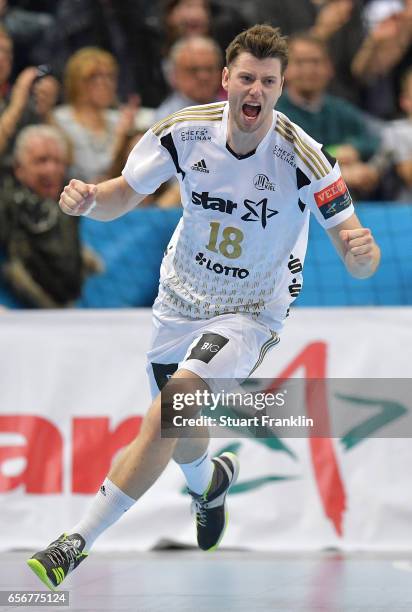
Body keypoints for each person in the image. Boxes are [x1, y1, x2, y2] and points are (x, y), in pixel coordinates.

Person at [27, 24, 380, 590]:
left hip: (250, 308)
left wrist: (363, 255)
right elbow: (122, 193)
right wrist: (91, 201)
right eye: (246, 77)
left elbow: (357, 253)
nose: (255, 90)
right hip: (179, 298)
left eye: (268, 81)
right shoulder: (183, 133)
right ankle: (208, 482)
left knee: (176, 401)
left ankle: (76, 541)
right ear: (226, 81)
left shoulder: (304, 158)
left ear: (281, 88)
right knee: (181, 426)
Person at [0, 124, 100, 308]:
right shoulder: (6, 203)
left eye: (57, 161)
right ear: (18, 168)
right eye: (41, 161)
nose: (51, 170)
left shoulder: (71, 203)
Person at [276, 33, 380, 191]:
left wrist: (355, 149)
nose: (309, 69)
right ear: (284, 69)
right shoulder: (275, 112)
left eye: (316, 62)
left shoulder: (339, 109)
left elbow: (373, 138)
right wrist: (335, 165)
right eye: (300, 62)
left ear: (329, 68)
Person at [52, 47, 142, 184]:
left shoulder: (118, 119)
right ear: (76, 83)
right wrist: (120, 141)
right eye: (94, 77)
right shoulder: (60, 119)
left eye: (110, 76)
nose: (105, 83)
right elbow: (90, 177)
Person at [154, 35, 224, 122]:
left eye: (210, 69)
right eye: (193, 70)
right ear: (175, 75)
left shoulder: (233, 111)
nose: (204, 77)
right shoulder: (166, 122)